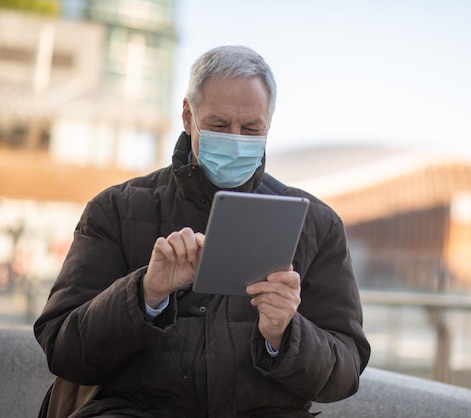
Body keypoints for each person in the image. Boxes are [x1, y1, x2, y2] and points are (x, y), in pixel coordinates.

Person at [33, 45, 370, 418]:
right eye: (220, 126)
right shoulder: (116, 210)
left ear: (268, 127)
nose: (236, 140)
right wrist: (146, 293)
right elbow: (62, 348)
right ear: (188, 117)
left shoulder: (317, 225)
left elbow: (346, 371)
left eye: (252, 129)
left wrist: (285, 333)